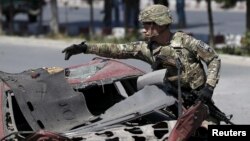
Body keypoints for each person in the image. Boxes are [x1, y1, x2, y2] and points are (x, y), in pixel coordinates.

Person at [62, 4, 221, 118]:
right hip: (170, 100)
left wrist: (209, 88)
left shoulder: (186, 42)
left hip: (199, 99)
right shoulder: (146, 48)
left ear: (159, 24)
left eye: (147, 25)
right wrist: (84, 48)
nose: (143, 29)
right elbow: (117, 49)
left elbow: (213, 59)